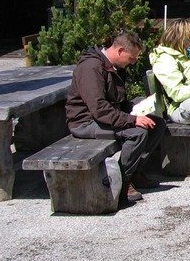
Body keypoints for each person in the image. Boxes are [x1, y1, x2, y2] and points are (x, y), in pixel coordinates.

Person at [66, 29, 166, 204]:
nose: (133, 62)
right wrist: (133, 119)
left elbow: (117, 101)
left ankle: (135, 171)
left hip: (102, 118)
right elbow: (99, 109)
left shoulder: (115, 67)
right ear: (120, 51)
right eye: (132, 57)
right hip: (86, 122)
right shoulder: (91, 68)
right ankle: (122, 181)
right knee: (137, 133)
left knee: (156, 124)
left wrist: (138, 109)